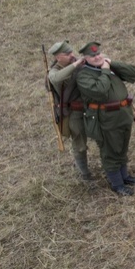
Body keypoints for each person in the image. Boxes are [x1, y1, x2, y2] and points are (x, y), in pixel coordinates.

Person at [76, 42, 135, 196]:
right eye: (92, 56)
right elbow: (100, 91)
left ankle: (125, 176)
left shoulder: (109, 66)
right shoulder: (84, 75)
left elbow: (134, 74)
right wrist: (105, 71)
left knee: (122, 147)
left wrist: (112, 63)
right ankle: (117, 184)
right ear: (85, 59)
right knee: (110, 152)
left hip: (123, 114)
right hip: (105, 119)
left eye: (98, 53)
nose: (97, 57)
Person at [47, 40, 90, 180]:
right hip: (73, 112)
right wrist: (76, 64)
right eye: (67, 53)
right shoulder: (54, 72)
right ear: (58, 57)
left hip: (90, 108)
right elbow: (56, 78)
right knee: (80, 145)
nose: (72, 55)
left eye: (72, 52)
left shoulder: (79, 63)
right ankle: (85, 175)